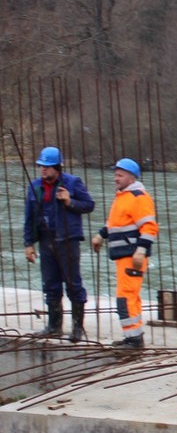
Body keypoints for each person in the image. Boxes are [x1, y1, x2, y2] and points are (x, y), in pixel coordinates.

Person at [23, 146, 95, 342]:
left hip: (68, 240)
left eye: (47, 167)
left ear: (57, 168)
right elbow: (29, 218)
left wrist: (69, 201)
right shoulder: (35, 187)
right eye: (41, 166)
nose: (43, 170)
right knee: (51, 285)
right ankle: (54, 326)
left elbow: (89, 205)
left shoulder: (72, 183)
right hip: (46, 241)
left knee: (73, 285)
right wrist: (28, 243)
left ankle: (77, 328)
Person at [91, 158, 158, 349]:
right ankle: (133, 336)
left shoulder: (138, 197)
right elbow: (113, 223)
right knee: (130, 296)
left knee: (125, 298)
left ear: (131, 177)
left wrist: (141, 250)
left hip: (132, 256)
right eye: (115, 174)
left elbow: (149, 227)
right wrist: (100, 235)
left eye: (120, 175)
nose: (116, 178)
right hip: (124, 256)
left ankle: (134, 340)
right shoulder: (122, 197)